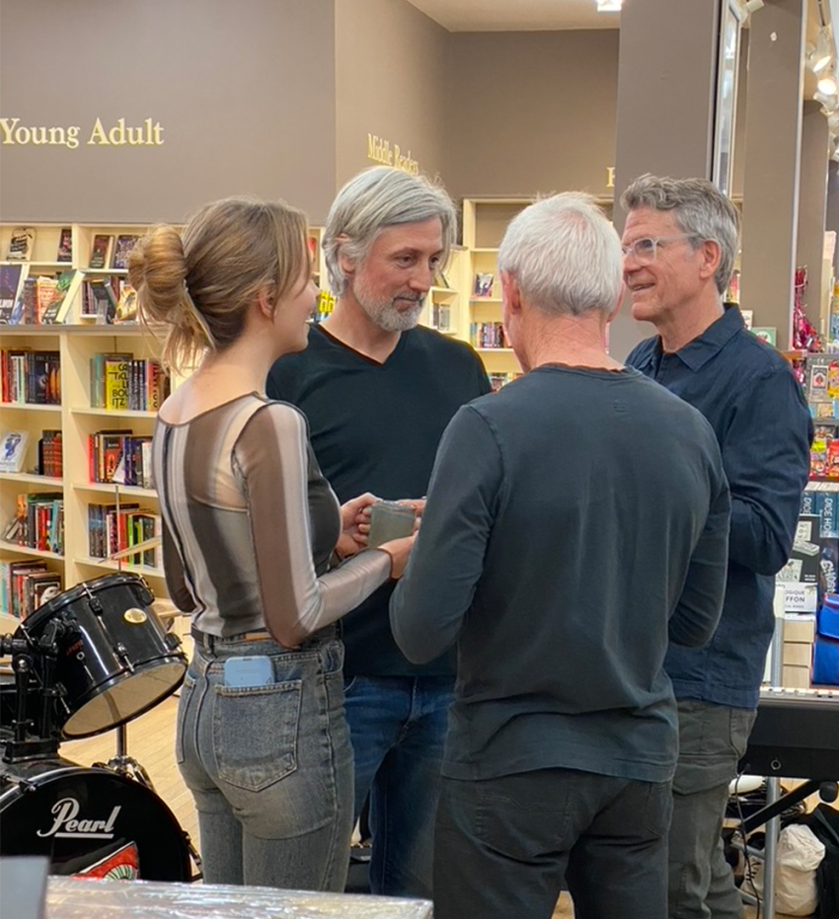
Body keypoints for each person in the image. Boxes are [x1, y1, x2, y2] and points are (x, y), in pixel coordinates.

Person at [389, 192, 732, 919]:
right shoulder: (689, 431)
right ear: (613, 297)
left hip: (510, 763)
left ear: (510, 293)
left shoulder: (486, 427)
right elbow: (696, 621)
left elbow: (421, 630)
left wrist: (419, 557)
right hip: (637, 759)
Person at [128, 196, 414, 891]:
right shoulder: (269, 422)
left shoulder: (173, 411)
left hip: (204, 702)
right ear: (265, 298)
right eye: (306, 280)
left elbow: (186, 586)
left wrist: (326, 529)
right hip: (282, 712)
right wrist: (386, 558)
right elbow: (295, 616)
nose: (315, 296)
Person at [267, 166, 492, 898]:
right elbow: (262, 534)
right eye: (405, 259)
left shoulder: (457, 367)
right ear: (344, 253)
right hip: (335, 676)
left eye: (433, 259)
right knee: (311, 889)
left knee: (418, 890)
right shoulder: (287, 374)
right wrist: (336, 534)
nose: (423, 279)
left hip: (445, 675)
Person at [622, 175, 814, 919]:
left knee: (675, 884)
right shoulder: (641, 366)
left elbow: (765, 535)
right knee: (682, 878)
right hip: (630, 665)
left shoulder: (759, 383)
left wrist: (650, 503)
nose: (630, 263)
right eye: (625, 247)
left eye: (648, 244)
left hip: (698, 679)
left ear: (707, 258)